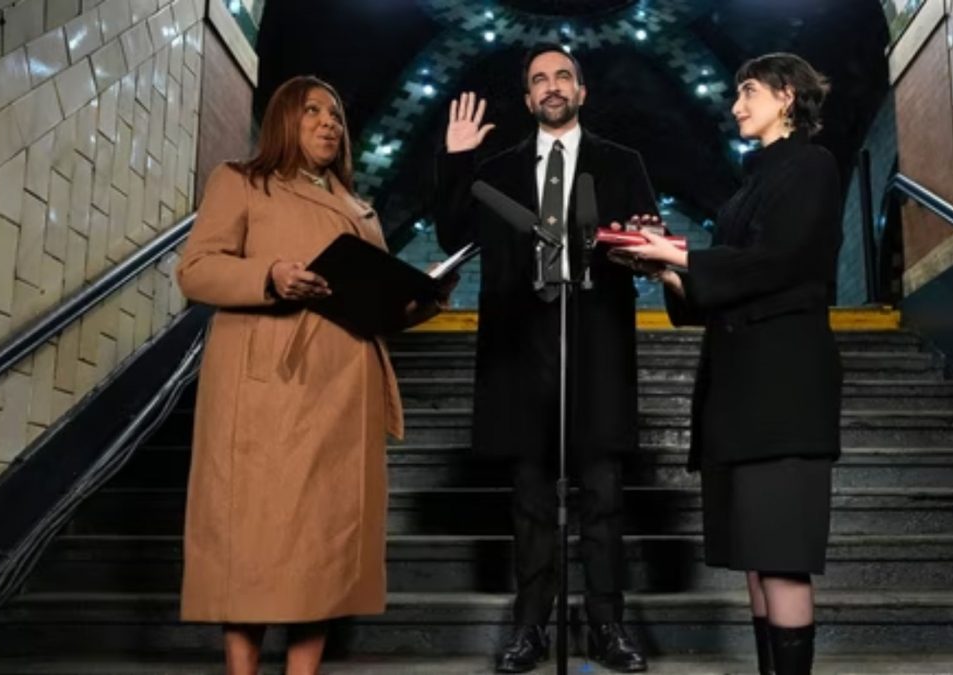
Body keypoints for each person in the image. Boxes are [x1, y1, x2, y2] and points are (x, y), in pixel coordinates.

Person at [177, 75, 448, 675]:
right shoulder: (242, 181)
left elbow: (378, 308)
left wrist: (425, 297)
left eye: (336, 114)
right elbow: (195, 270)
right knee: (254, 538)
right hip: (269, 387)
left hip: (345, 393)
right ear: (283, 121)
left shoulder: (361, 209)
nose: (330, 122)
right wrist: (270, 276)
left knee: (322, 548)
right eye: (313, 112)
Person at [612, 53, 841, 675]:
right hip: (739, 392)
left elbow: (780, 261)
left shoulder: (812, 167)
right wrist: (663, 266)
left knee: (783, 555)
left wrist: (684, 257)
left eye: (748, 92)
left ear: (787, 95)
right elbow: (725, 286)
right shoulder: (749, 187)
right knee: (756, 553)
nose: (736, 106)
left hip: (784, 392)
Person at [433, 43, 657, 673]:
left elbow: (647, 234)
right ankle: (529, 628)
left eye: (563, 76)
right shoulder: (497, 171)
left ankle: (608, 627)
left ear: (581, 92)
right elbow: (454, 234)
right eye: (540, 80)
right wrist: (455, 160)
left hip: (597, 347)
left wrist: (642, 246)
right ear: (528, 99)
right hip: (518, 351)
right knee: (530, 498)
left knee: (605, 495)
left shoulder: (622, 163)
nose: (552, 86)